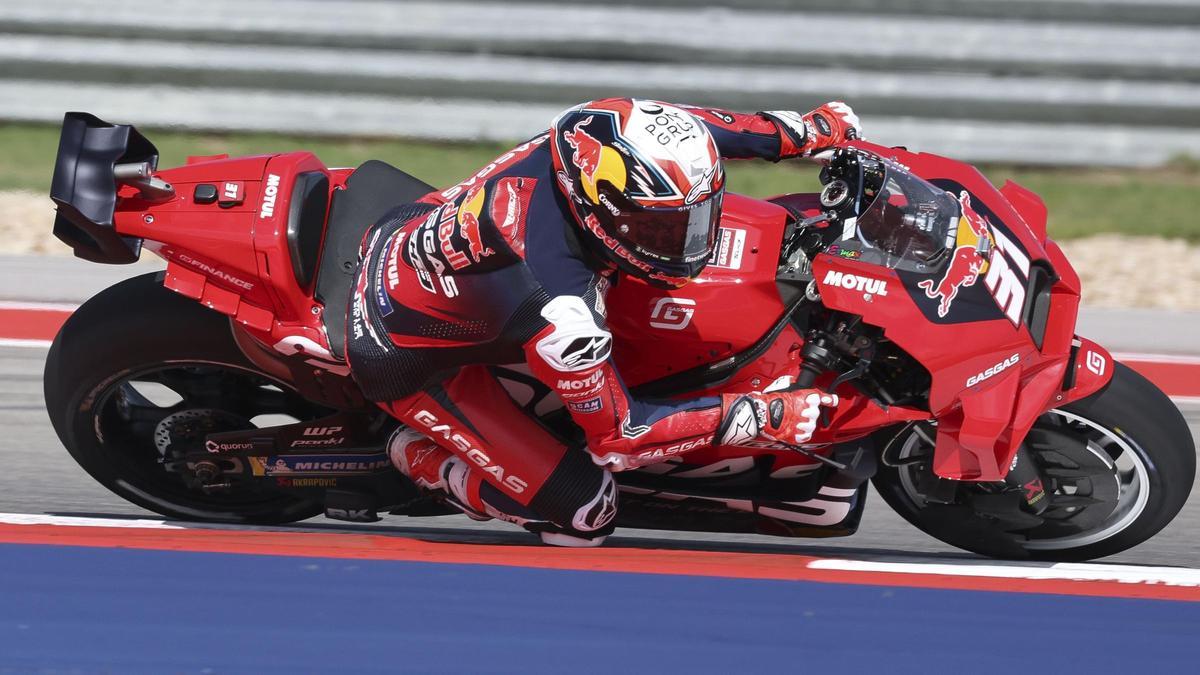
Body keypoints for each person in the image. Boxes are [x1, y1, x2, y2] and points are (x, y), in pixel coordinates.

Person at [345, 98, 861, 546]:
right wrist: (761, 417)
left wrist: (811, 130)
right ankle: (419, 457)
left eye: (692, 220)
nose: (685, 242)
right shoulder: (561, 310)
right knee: (583, 516)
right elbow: (621, 437)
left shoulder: (599, 130)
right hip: (403, 354)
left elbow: (711, 129)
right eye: (660, 229)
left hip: (420, 227)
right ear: (602, 212)